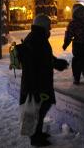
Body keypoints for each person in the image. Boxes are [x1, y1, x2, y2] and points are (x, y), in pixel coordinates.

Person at [19, 14, 69, 147]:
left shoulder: (36, 37)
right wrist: (57, 64)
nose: (51, 29)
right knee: (38, 109)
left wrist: (57, 63)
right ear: (43, 26)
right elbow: (42, 59)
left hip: (37, 81)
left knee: (40, 108)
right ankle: (35, 138)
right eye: (49, 25)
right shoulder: (38, 39)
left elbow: (45, 57)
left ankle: (37, 133)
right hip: (37, 83)